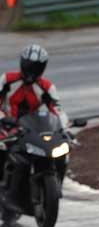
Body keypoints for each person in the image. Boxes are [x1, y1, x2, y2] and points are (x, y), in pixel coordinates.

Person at [0, 44, 69, 208]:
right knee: (1, 148)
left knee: (62, 151)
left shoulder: (46, 86)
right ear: (22, 63)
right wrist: (3, 118)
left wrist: (64, 127)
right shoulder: (7, 79)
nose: (31, 70)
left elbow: (58, 109)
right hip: (6, 125)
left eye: (36, 67)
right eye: (29, 66)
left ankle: (56, 184)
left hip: (32, 128)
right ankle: (3, 187)